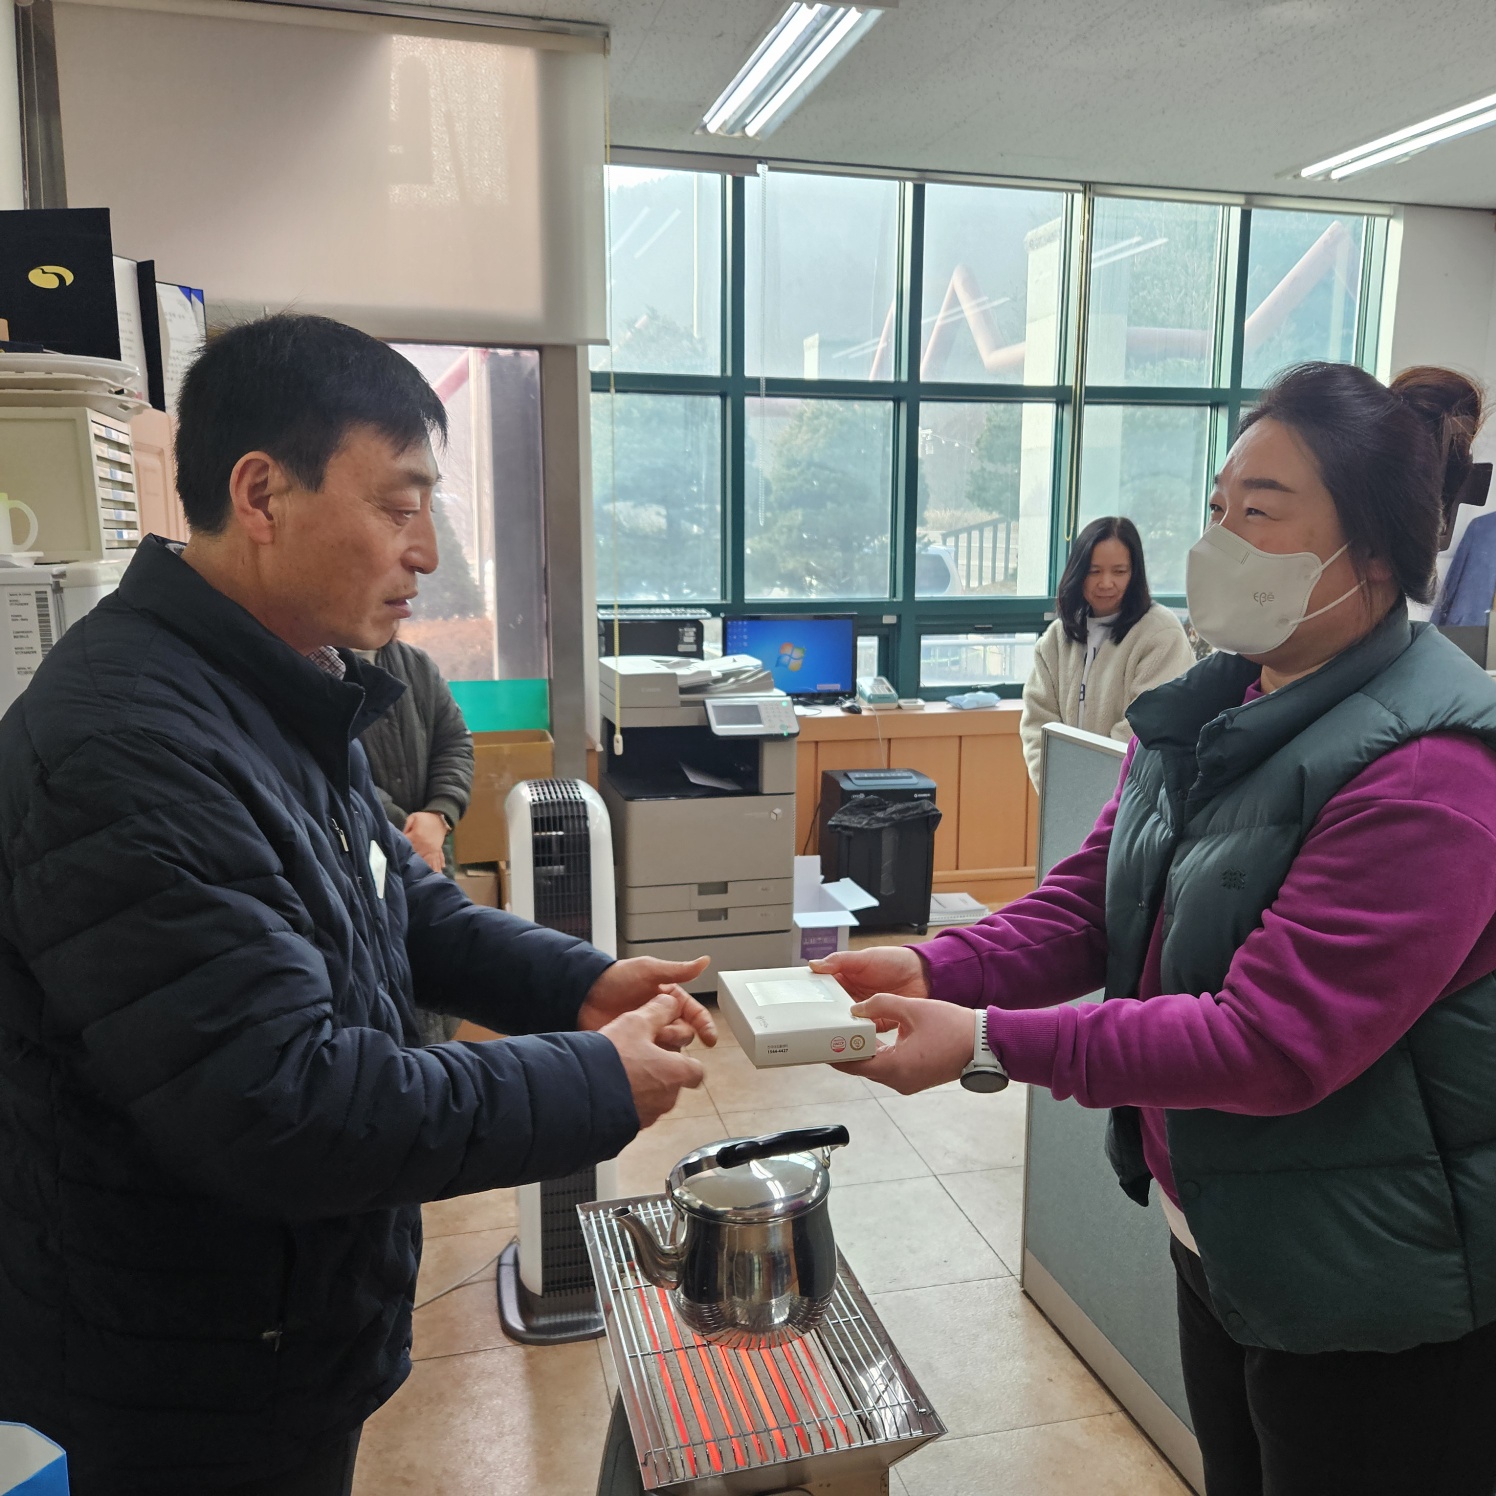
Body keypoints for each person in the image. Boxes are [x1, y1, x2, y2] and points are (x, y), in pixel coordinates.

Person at [0, 313, 715, 1496]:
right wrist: (594, 1079)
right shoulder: (127, 746)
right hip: (183, 1365)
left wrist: (574, 981)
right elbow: (287, 1103)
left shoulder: (280, 681)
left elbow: (398, 900)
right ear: (261, 494)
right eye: (397, 505)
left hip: (281, 1322)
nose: (425, 551)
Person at [815, 362, 1496, 1495]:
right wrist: (935, 963)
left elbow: (1268, 1040)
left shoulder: (1428, 773)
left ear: (1373, 553)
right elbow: (1095, 901)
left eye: (1259, 513)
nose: (1218, 542)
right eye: (1217, 507)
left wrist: (985, 1039)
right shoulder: (1214, 705)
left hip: (1380, 1289)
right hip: (1228, 1228)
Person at [1019, 515, 1195, 791]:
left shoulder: (1161, 633)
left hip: (1136, 796)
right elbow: (1037, 724)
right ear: (1078, 573)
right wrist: (1058, 789)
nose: (1106, 583)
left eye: (1119, 571)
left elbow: (1148, 724)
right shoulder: (1055, 638)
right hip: (1065, 796)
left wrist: (1096, 787)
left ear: (1134, 573)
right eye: (1094, 571)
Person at [356, 635, 473, 1044]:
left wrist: (439, 814)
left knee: (438, 991)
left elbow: (455, 742)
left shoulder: (416, 664)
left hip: (430, 852)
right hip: (367, 862)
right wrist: (407, 828)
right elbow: (334, 767)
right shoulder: (316, 665)